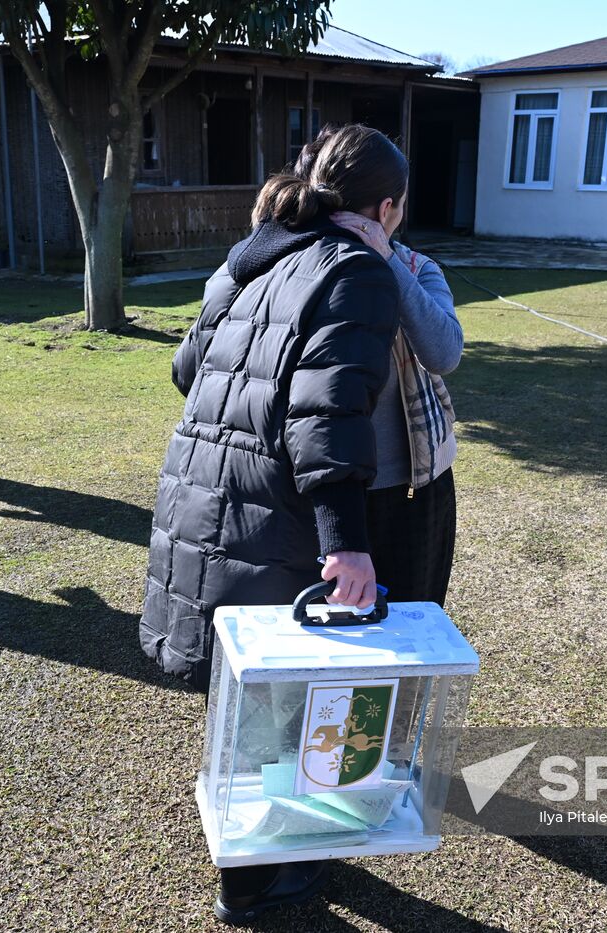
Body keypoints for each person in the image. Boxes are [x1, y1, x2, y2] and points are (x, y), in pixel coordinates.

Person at [139, 124, 405, 923]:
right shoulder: (358, 269)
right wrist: (347, 542)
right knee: (287, 698)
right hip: (274, 512)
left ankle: (260, 858)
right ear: (386, 208)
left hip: (209, 493)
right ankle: (257, 880)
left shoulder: (255, 255)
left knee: (254, 690)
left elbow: (186, 367)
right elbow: (326, 411)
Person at [297, 125, 462, 605]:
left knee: (409, 613)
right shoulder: (303, 263)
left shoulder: (414, 267)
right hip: (325, 493)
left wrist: (385, 257)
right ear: (388, 207)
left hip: (412, 484)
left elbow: (443, 351)